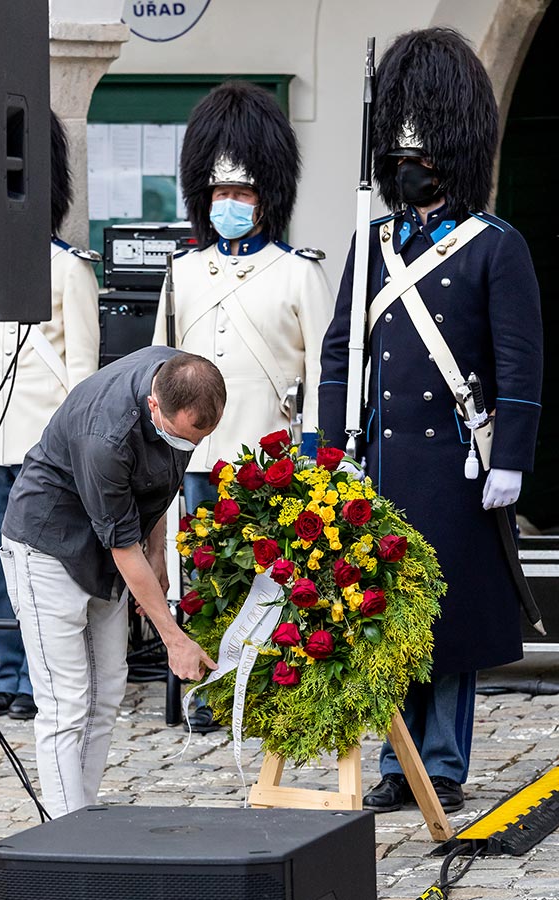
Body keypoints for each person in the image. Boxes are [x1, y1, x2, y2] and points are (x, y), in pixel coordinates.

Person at [319, 28, 543, 813]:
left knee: (447, 621)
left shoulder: (493, 247)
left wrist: (509, 456)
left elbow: (520, 361)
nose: (413, 170)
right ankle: (396, 758)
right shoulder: (372, 243)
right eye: (403, 157)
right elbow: (342, 353)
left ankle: (441, 762)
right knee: (379, 612)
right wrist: (330, 448)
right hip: (382, 462)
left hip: (455, 462)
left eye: (425, 156)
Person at [151, 81, 335, 732]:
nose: (229, 203)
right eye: (219, 192)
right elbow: (158, 366)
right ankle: (204, 692)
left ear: (267, 197)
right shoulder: (185, 270)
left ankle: (261, 692)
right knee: (199, 583)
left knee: (266, 586)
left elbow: (323, 375)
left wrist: (314, 456)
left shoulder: (298, 273)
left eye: (242, 192)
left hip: (266, 460)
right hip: (195, 460)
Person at [0, 347, 224, 818]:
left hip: (112, 544)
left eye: (195, 440)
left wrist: (159, 551)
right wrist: (173, 637)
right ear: (153, 406)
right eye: (179, 437)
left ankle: (83, 813)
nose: (187, 449)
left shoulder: (181, 377)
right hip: (49, 544)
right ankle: (67, 834)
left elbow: (161, 481)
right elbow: (123, 546)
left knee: (107, 693)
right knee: (67, 700)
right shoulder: (106, 435)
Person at [0, 111, 100, 720]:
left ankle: (41, 676)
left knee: (42, 570)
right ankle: (8, 673)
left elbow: (83, 374)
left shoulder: (70, 267)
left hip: (46, 448)